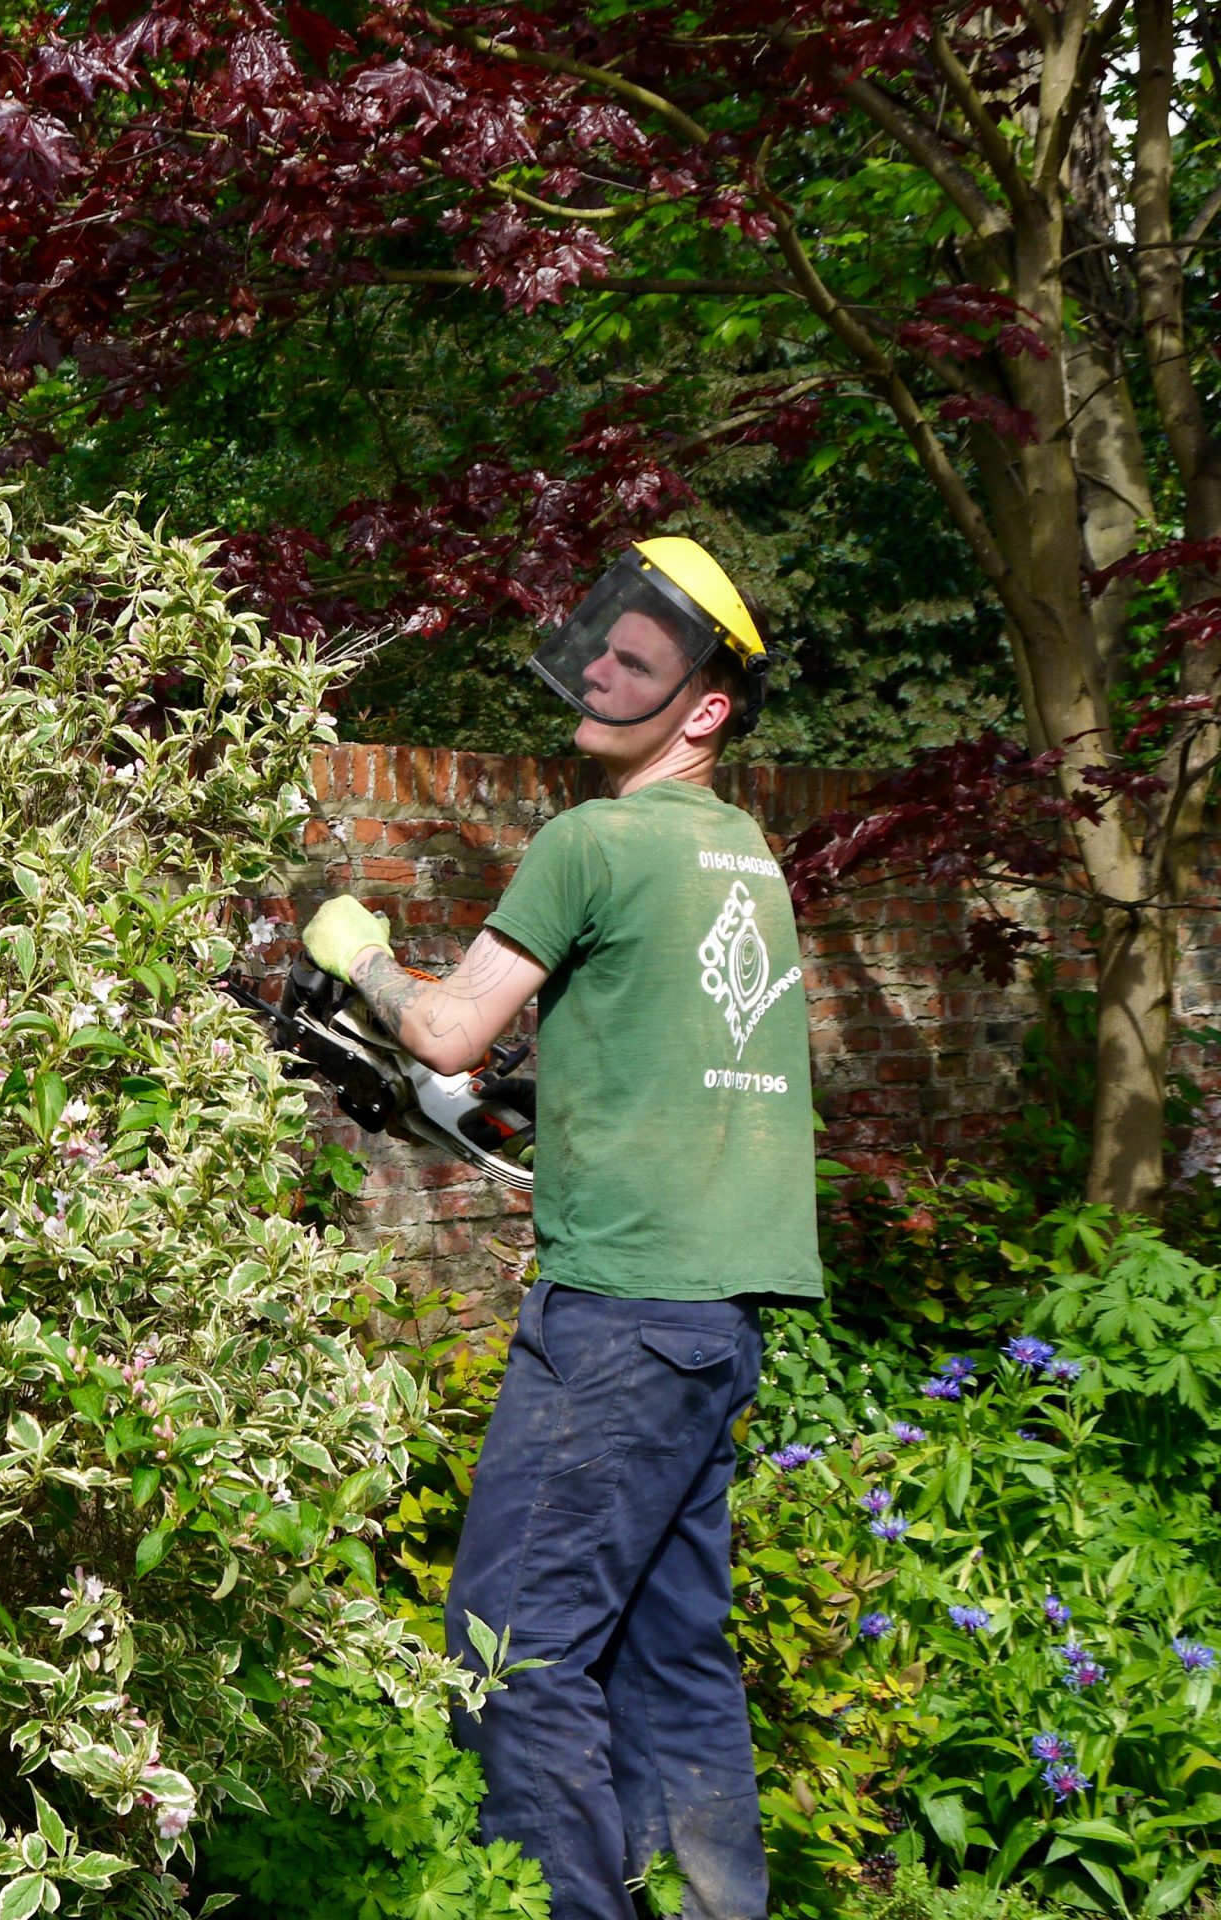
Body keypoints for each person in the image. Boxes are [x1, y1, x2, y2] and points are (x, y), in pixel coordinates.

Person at [300, 538, 821, 1920]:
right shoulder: (741, 857)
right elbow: (668, 1064)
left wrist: (355, 952)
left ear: (705, 706)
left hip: (619, 1324)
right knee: (672, 1661)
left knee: (509, 1649)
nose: (598, 667)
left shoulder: (595, 840)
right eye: (601, 644)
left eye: (636, 660)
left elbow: (451, 1025)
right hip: (713, 1322)